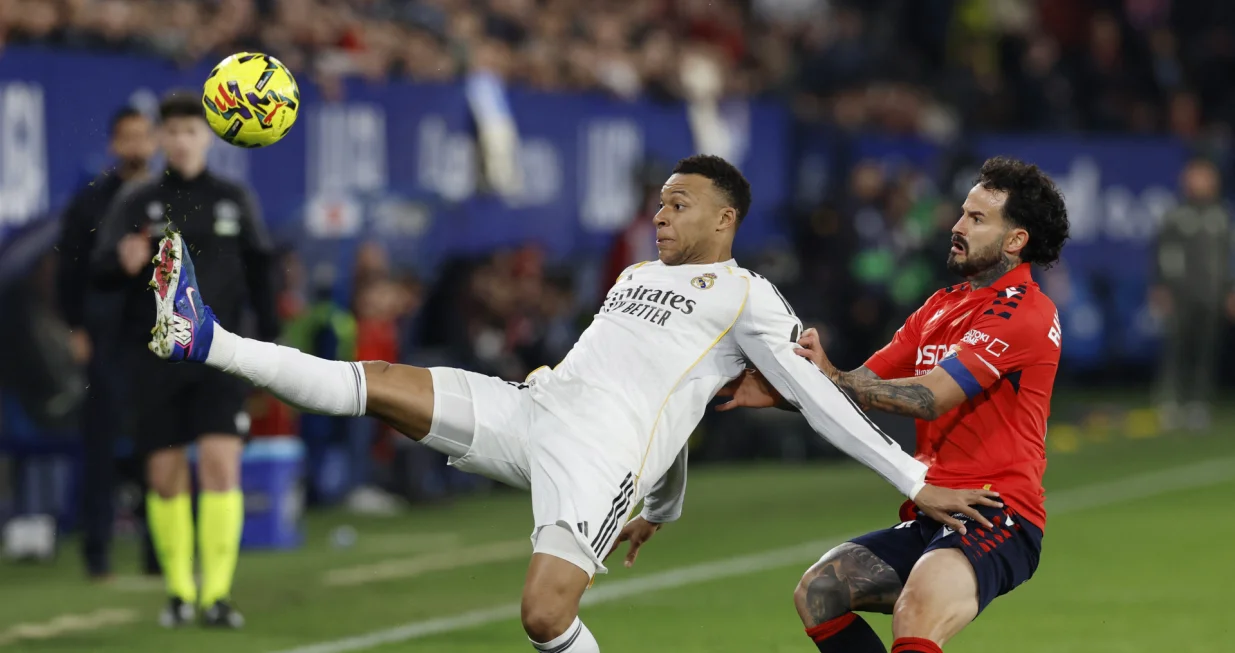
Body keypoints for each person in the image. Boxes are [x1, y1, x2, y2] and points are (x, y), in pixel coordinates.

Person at [144, 154, 997, 653]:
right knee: (376, 383)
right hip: (534, 410)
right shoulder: (633, 276)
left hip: (596, 458)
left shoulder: (747, 296)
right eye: (658, 201)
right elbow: (674, 404)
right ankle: (202, 335)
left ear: (725, 218)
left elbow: (815, 397)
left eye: (679, 203)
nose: (659, 214)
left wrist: (912, 475)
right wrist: (661, 503)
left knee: (543, 614)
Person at [718, 157, 1070, 653]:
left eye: (976, 219)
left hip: (997, 511)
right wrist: (781, 392)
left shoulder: (1025, 312)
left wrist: (833, 376)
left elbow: (928, 397)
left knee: (917, 612)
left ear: (1015, 241)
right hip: (935, 510)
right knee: (820, 592)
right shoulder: (939, 306)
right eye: (962, 213)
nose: (957, 225)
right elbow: (858, 385)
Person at [91, 90, 278, 628]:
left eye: (190, 131)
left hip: (222, 356)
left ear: (208, 137)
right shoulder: (138, 201)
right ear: (160, 140)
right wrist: (120, 264)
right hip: (157, 358)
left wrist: (269, 343)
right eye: (170, 132)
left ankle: (216, 595)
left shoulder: (233, 198)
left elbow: (262, 272)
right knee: (166, 475)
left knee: (222, 466)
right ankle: (179, 593)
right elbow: (102, 269)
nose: (180, 140)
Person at [55, 106, 157, 580]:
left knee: (160, 446)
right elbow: (69, 267)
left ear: (152, 142)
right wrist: (76, 327)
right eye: (127, 137)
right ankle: (96, 554)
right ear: (115, 144)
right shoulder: (92, 201)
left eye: (143, 136)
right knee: (100, 448)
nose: (136, 145)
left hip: (160, 340)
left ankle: (161, 555)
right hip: (108, 337)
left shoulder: (172, 199)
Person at [1149, 157, 1233, 432]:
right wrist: (1161, 287)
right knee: (1177, 349)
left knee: (1205, 349)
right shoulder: (1176, 215)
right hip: (1180, 294)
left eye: (1206, 176)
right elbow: (1161, 255)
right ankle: (1170, 402)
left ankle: (1198, 403)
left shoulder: (1220, 216)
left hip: (1211, 294)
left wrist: (1230, 290)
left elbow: (1227, 258)